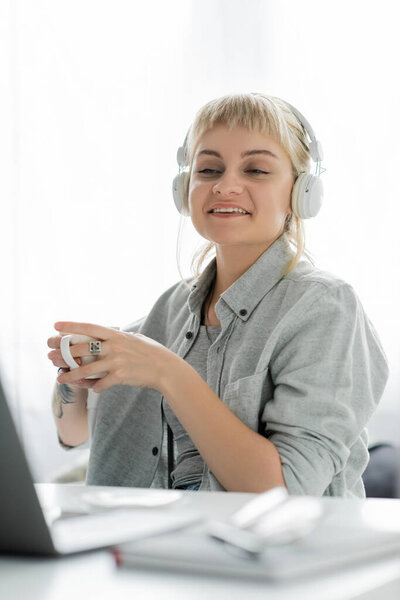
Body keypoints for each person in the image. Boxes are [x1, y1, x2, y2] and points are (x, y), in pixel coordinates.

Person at [47, 93, 389, 496]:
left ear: (301, 193)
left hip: (275, 552)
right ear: (184, 189)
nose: (226, 186)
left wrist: (169, 373)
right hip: (161, 547)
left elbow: (288, 491)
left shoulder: (324, 307)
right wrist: (73, 370)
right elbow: (74, 433)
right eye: (209, 169)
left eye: (256, 170)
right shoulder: (171, 308)